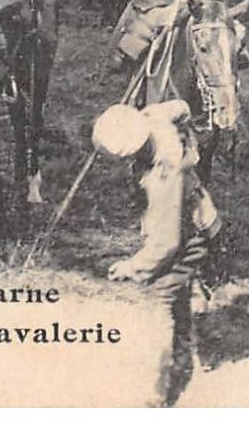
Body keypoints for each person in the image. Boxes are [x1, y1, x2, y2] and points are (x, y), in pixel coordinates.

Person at [94, 99, 223, 407]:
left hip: (190, 234)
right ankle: (185, 354)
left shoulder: (162, 176)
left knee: (160, 300)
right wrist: (189, 135)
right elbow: (181, 107)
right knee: (179, 296)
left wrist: (133, 266)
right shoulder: (153, 116)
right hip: (199, 217)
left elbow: (166, 244)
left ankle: (155, 393)